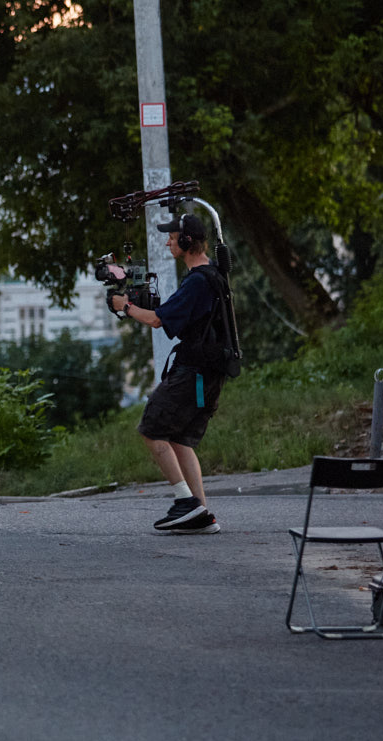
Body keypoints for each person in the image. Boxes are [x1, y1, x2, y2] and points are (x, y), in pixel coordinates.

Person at [110, 213, 225, 535]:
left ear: (186, 242)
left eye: (172, 238)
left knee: (151, 428)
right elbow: (173, 314)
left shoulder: (198, 281)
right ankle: (200, 512)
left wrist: (125, 307)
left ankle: (184, 502)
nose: (167, 242)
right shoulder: (212, 275)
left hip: (194, 372)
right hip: (208, 374)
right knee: (178, 438)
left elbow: (159, 320)